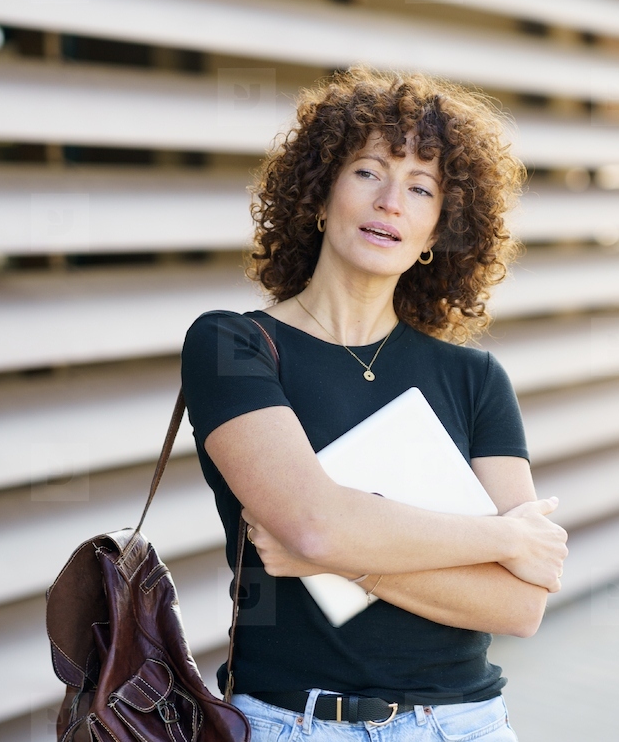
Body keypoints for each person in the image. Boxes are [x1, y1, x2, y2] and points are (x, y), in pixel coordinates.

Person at [179, 66, 568, 742]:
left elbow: (518, 602)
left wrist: (345, 552)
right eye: (367, 172)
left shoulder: (474, 377)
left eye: (421, 188)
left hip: (465, 725)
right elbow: (312, 526)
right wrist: (504, 536)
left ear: (435, 232)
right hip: (292, 723)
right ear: (321, 195)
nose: (392, 200)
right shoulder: (233, 344)